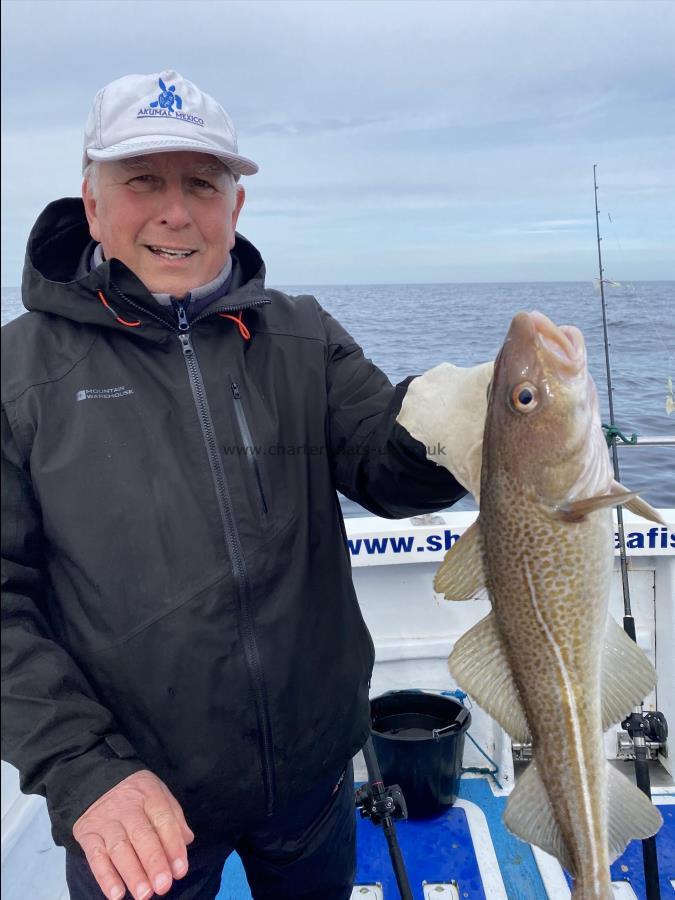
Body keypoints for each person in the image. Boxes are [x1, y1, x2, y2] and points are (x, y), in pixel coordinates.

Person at [1, 70, 465, 900]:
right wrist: (81, 771)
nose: (176, 212)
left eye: (202, 184)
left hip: (315, 776)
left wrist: (468, 417)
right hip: (134, 803)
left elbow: (389, 472)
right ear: (92, 202)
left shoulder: (300, 333)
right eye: (143, 180)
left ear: (235, 208)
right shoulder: (17, 375)